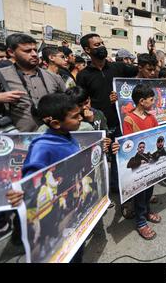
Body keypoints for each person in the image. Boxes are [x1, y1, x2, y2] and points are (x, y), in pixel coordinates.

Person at [6, 93, 118, 262]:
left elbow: (80, 162)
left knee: (76, 249)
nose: (81, 118)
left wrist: (102, 149)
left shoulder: (68, 136)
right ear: (56, 123)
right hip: (56, 214)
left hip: (75, 209)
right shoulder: (42, 147)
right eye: (75, 116)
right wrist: (20, 194)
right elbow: (30, 181)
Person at [76, 33, 138, 193]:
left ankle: (118, 188)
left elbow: (139, 74)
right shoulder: (83, 75)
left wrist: (122, 95)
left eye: (102, 43)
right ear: (87, 49)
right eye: (96, 45)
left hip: (119, 122)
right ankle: (101, 193)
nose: (101, 46)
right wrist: (87, 113)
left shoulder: (117, 68)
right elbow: (81, 99)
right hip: (97, 125)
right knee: (99, 160)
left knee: (120, 158)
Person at [0, 34, 66, 132]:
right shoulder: (0, 76)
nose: (34, 54)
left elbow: (69, 104)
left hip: (52, 138)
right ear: (11, 52)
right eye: (27, 51)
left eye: (35, 50)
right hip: (18, 141)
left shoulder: (54, 77)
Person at [122, 84, 161, 239]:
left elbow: (159, 134)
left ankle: (146, 210)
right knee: (140, 193)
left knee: (149, 189)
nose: (154, 102)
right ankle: (140, 222)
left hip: (150, 165)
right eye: (152, 99)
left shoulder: (152, 117)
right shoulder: (129, 119)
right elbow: (128, 143)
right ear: (142, 101)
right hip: (138, 168)